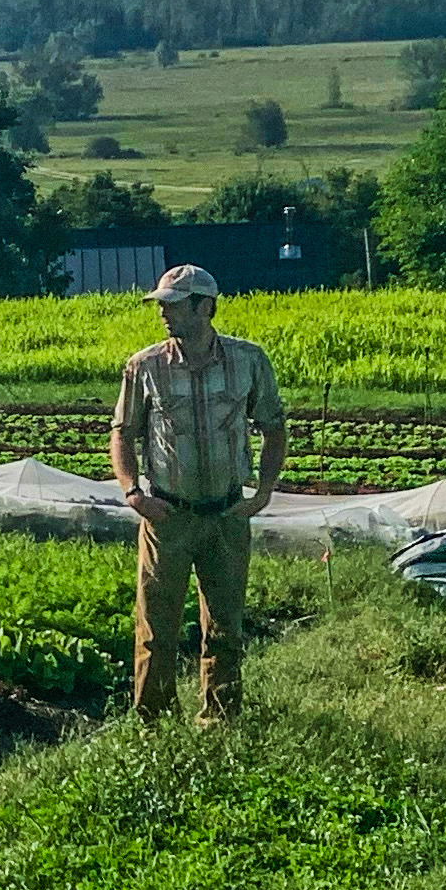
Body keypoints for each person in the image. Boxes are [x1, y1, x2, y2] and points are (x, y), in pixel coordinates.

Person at [109, 263, 287, 721]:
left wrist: (263, 491)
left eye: (174, 304)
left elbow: (273, 425)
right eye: (161, 305)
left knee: (225, 625)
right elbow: (122, 432)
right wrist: (134, 493)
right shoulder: (144, 366)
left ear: (205, 306)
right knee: (156, 628)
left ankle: (221, 719)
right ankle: (153, 722)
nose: (164, 313)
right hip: (168, 514)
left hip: (227, 514)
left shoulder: (249, 360)